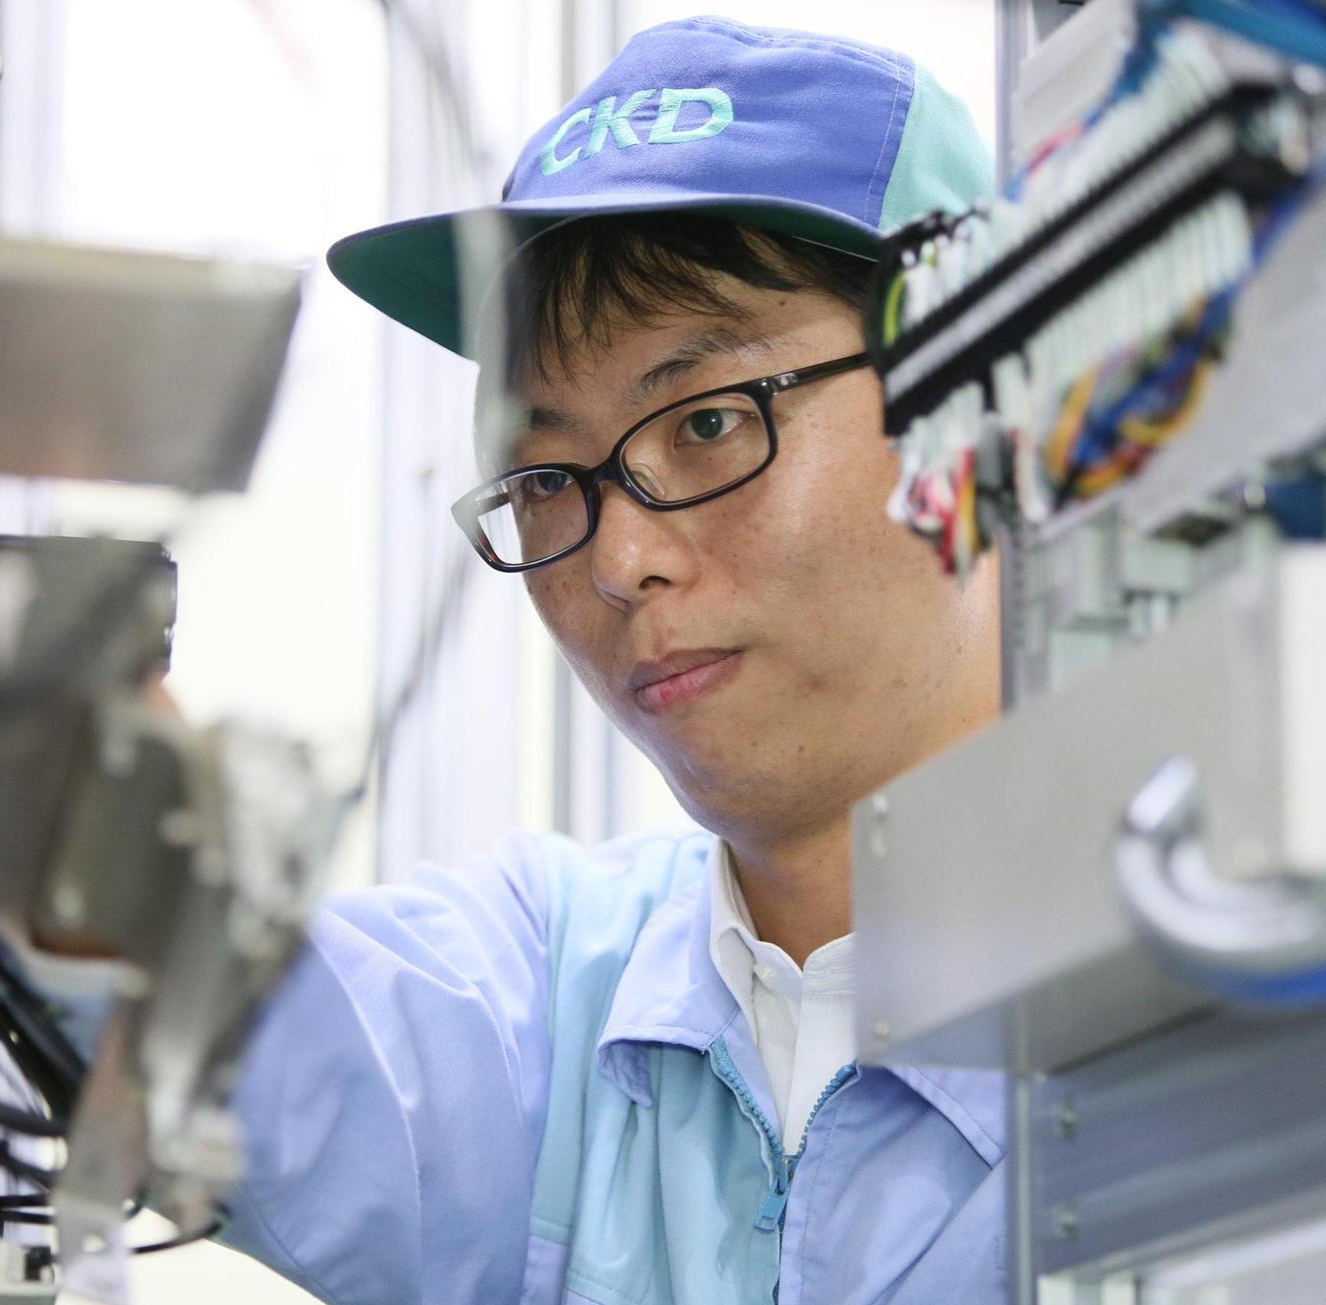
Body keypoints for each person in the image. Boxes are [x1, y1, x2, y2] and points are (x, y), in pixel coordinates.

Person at [223, 17, 1004, 1304]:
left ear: (972, 396)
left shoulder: (1237, 976)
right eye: (546, 479)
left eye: (708, 421)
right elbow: (195, 1012)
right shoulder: (555, 993)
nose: (618, 559)